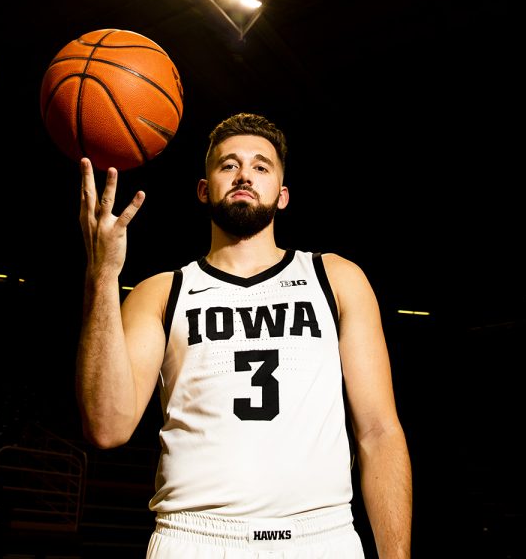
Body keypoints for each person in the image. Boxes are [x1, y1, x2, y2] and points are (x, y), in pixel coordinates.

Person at [76, 112, 412, 558]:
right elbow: (106, 426)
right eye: (228, 164)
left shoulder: (335, 278)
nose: (244, 175)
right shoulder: (161, 291)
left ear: (283, 194)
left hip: (321, 536)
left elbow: (379, 433)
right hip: (192, 537)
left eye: (260, 166)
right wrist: (102, 275)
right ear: (203, 188)